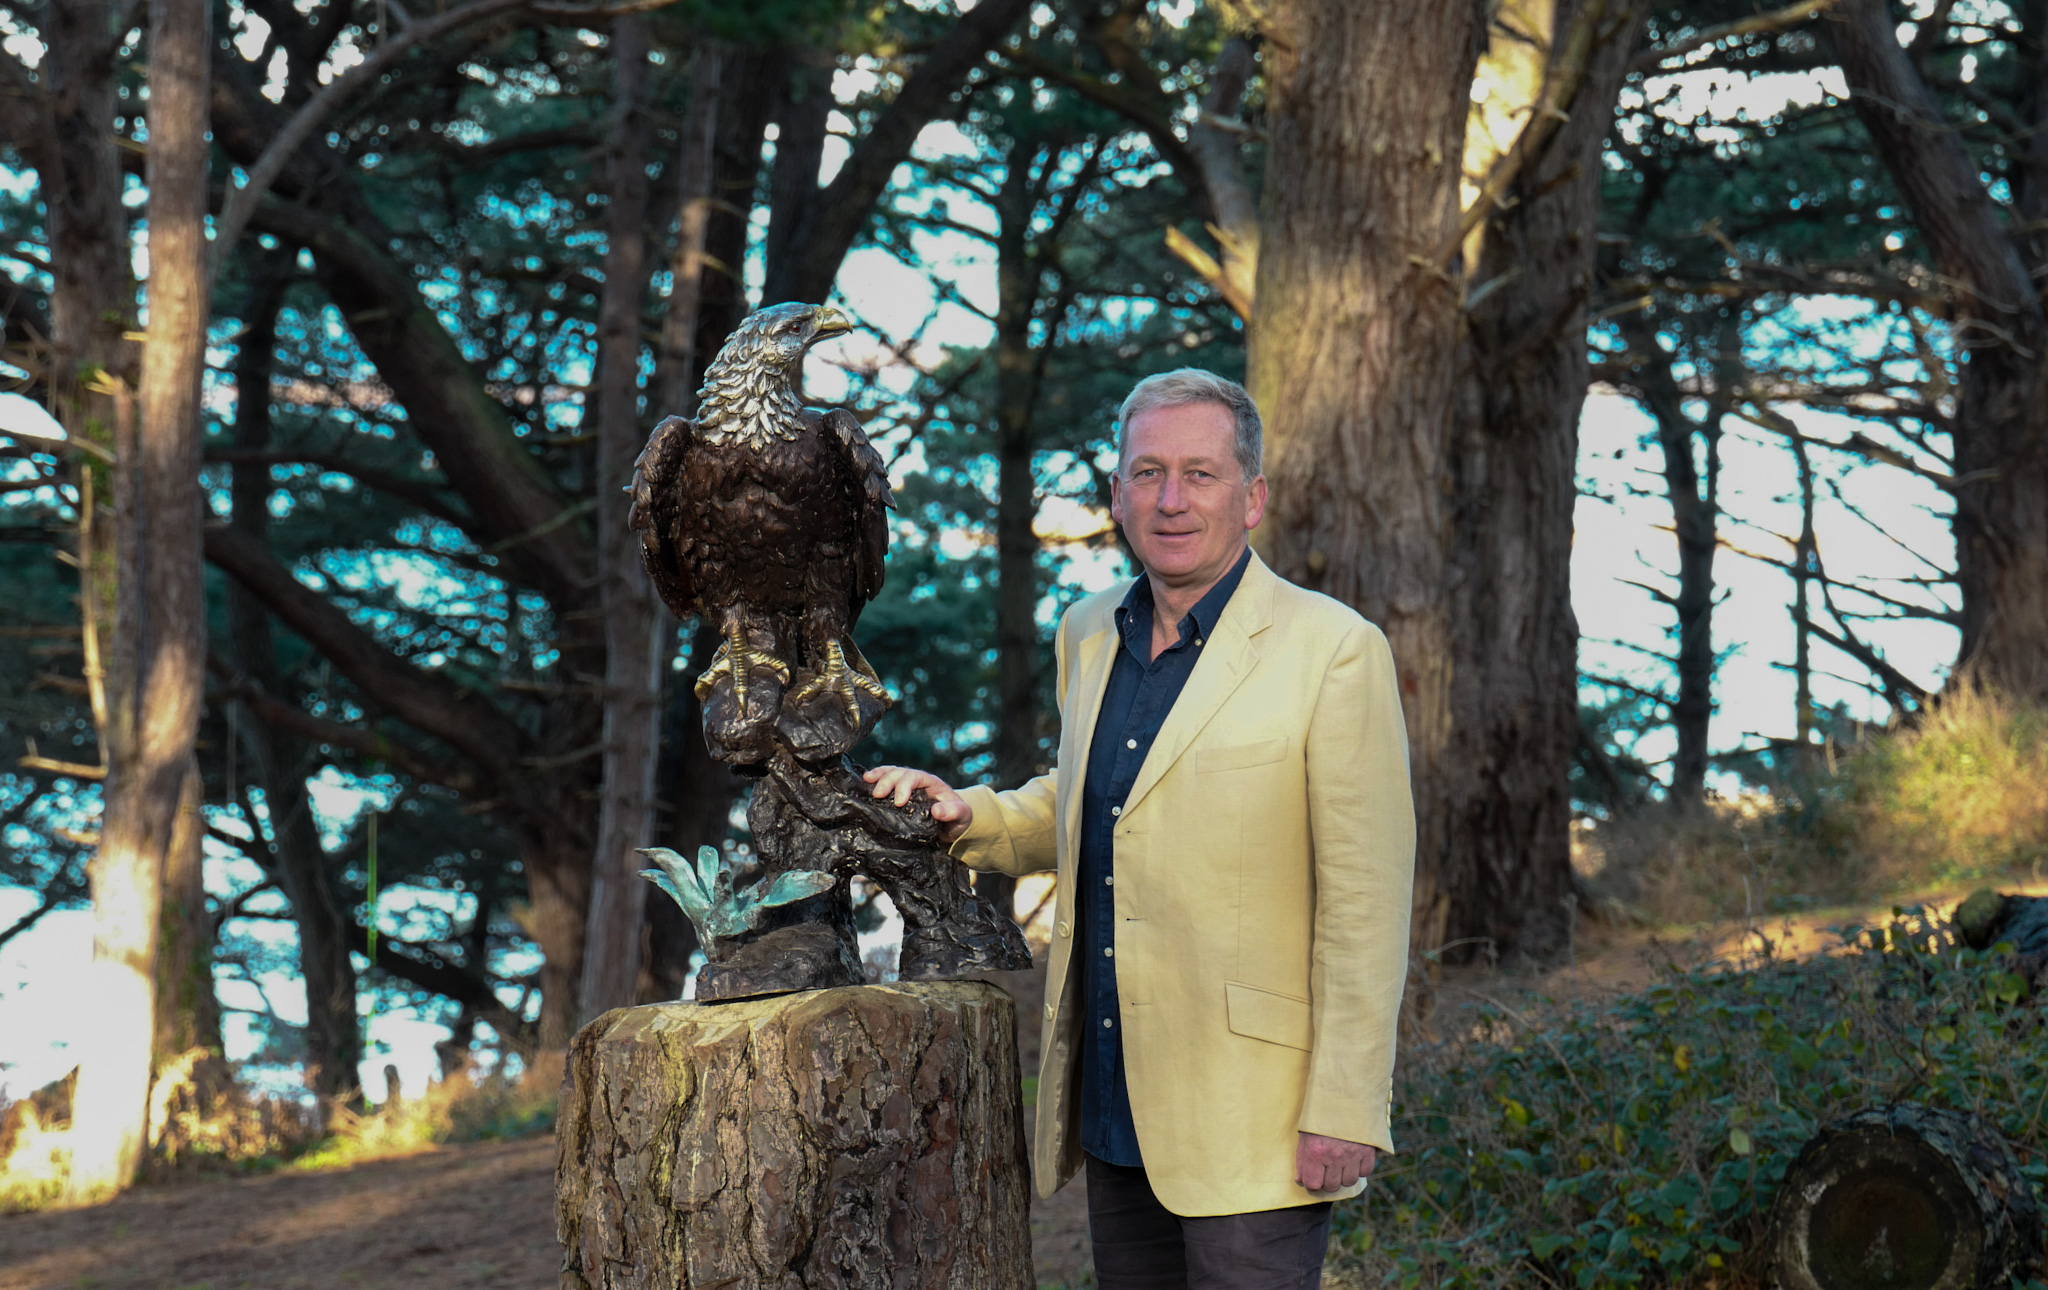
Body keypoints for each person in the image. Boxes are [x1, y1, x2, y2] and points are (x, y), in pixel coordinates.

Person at [865, 368, 1416, 1290]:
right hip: (1115, 1100)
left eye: (1200, 474)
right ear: (1116, 493)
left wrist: (1348, 1105)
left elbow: (1366, 902)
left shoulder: (1334, 650)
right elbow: (1093, 800)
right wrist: (972, 816)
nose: (1171, 499)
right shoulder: (1087, 631)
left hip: (1259, 1117)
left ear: (1253, 498)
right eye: (1147, 472)